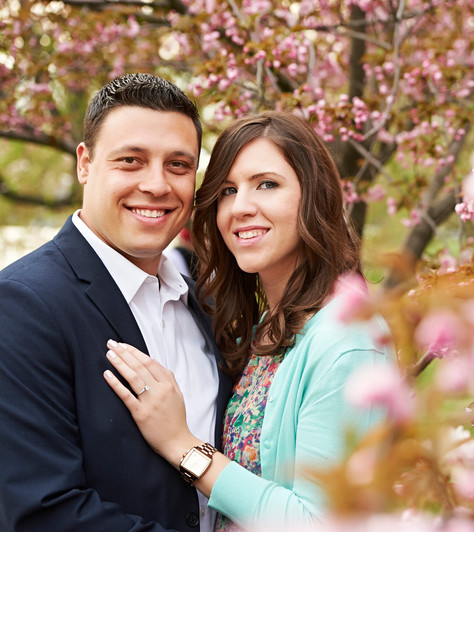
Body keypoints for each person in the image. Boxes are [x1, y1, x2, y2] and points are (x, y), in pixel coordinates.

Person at [103, 111, 393, 531]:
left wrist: (182, 445)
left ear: (314, 196)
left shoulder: (347, 338)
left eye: (267, 185)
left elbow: (322, 526)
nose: (240, 208)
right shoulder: (269, 327)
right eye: (226, 190)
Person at [0, 74, 232, 531]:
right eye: (131, 160)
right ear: (85, 164)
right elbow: (44, 515)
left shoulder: (206, 297)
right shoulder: (22, 305)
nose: (157, 184)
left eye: (178, 165)